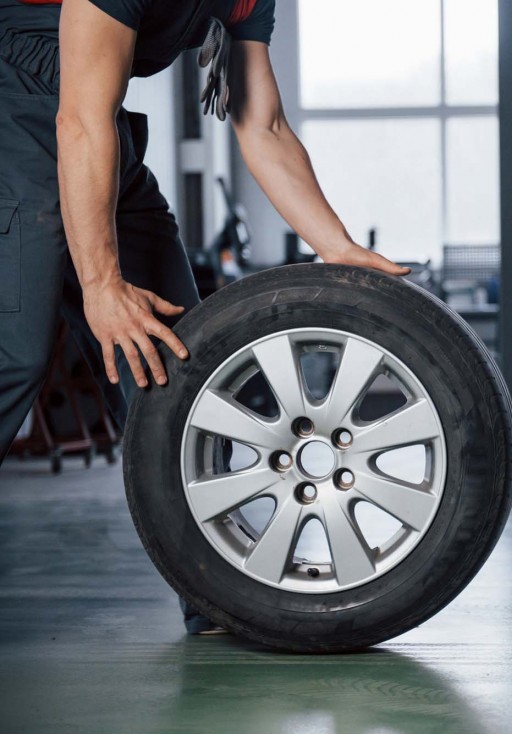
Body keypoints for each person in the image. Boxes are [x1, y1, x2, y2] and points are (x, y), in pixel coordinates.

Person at [0, 0, 409, 632]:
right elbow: (77, 122)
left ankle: (216, 592)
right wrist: (102, 283)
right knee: (14, 355)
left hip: (95, 132)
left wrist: (335, 245)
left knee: (176, 366)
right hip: (21, 120)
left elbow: (262, 123)